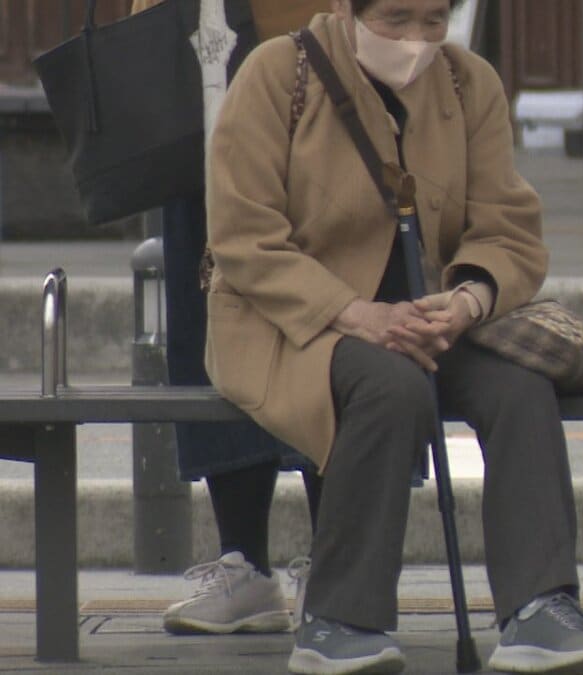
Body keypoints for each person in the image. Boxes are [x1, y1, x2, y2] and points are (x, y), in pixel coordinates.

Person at [204, 1, 583, 673]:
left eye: (434, 20)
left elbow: (505, 224)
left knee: (518, 383)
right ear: (346, 8)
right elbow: (243, 237)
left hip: (428, 314)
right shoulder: (276, 73)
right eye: (396, 19)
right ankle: (341, 617)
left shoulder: (469, 83)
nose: (416, 41)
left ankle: (541, 605)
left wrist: (469, 298)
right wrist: (354, 312)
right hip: (292, 319)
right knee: (390, 385)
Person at [130, 0, 331, 637]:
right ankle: (243, 561)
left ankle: (338, 563)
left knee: (331, 307)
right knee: (212, 313)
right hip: (198, 58)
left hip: (322, 62)